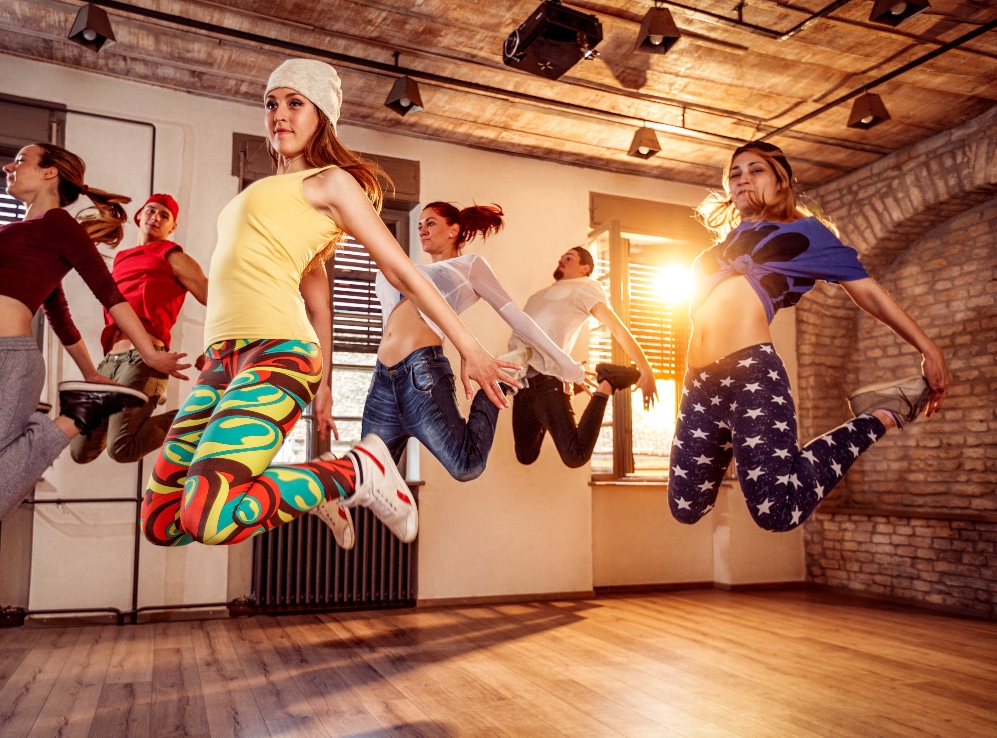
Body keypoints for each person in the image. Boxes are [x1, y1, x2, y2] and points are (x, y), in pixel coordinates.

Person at [140, 59, 518, 550]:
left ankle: (360, 468)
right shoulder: (265, 192)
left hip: (278, 353)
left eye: (296, 103)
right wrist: (325, 391)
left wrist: (470, 348)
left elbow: (402, 270)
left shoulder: (331, 183)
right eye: (272, 104)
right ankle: (322, 487)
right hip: (221, 361)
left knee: (211, 519)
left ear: (321, 115)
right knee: (164, 521)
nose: (280, 115)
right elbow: (319, 304)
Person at [668, 141, 950, 532]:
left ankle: (883, 414)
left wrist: (928, 348)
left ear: (781, 181)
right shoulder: (723, 245)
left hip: (751, 375)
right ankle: (747, 442)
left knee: (776, 512)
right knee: (686, 506)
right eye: (735, 173)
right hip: (699, 383)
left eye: (756, 170)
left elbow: (867, 292)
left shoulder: (805, 233)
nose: (743, 179)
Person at [0, 143, 190, 529]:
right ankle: (79, 401)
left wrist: (151, 354)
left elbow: (108, 292)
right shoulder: (20, 232)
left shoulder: (59, 225)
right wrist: (91, 372)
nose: (9, 166)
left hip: (2, 360)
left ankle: (79, 413)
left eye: (21, 160)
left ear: (49, 173)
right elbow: (58, 314)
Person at [310, 202, 587, 549]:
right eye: (420, 224)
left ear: (454, 230)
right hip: (383, 380)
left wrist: (567, 366)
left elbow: (517, 317)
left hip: (421, 376)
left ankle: (494, 388)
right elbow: (388, 324)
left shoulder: (469, 267)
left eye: (431, 223)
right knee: (372, 473)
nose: (423, 229)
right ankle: (328, 485)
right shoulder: (403, 269)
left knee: (466, 465)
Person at [69, 193, 208, 465]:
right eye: (151, 211)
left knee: (122, 449)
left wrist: (215, 349)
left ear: (173, 227)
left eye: (164, 215)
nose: (155, 217)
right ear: (139, 215)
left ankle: (204, 412)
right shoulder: (120, 258)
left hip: (144, 357)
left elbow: (215, 299)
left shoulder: (173, 256)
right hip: (110, 362)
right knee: (80, 451)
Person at [510, 246, 657, 469]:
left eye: (569, 258)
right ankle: (582, 381)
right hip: (522, 384)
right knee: (525, 455)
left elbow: (617, 328)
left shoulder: (586, 288)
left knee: (575, 456)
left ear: (584, 268)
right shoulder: (536, 296)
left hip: (548, 382)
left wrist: (645, 368)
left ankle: (605, 383)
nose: (561, 260)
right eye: (561, 257)